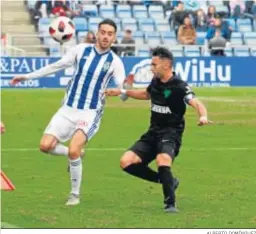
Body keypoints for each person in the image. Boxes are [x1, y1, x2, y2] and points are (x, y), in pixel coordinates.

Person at [10, 19, 127, 206]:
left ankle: (74, 194)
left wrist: (122, 93)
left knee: (74, 149)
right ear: (97, 33)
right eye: (103, 32)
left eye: (110, 33)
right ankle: (77, 155)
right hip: (68, 109)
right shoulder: (80, 50)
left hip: (90, 112)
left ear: (114, 37)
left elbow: (122, 88)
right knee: (45, 146)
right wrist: (26, 76)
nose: (105, 36)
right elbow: (55, 66)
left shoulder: (115, 62)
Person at [105, 47, 213, 213]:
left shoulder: (179, 86)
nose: (151, 68)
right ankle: (168, 181)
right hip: (153, 132)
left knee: (163, 160)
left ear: (166, 65)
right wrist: (122, 91)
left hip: (171, 133)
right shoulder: (156, 82)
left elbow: (196, 102)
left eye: (154, 64)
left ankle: (170, 204)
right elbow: (146, 94)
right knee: (126, 161)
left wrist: (203, 116)